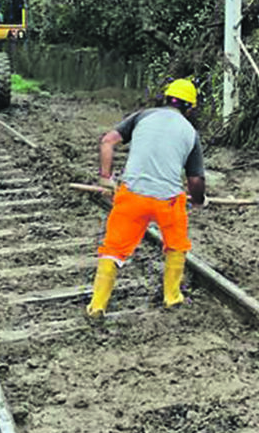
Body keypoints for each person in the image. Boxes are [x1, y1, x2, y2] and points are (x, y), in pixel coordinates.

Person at [86, 78, 206, 319]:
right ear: (190, 108)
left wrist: (105, 178)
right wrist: (199, 199)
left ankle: (97, 305)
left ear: (165, 98)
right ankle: (172, 298)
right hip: (169, 201)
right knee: (176, 246)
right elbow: (195, 181)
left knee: (112, 249)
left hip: (132, 196)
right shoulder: (190, 133)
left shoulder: (142, 116)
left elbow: (107, 141)